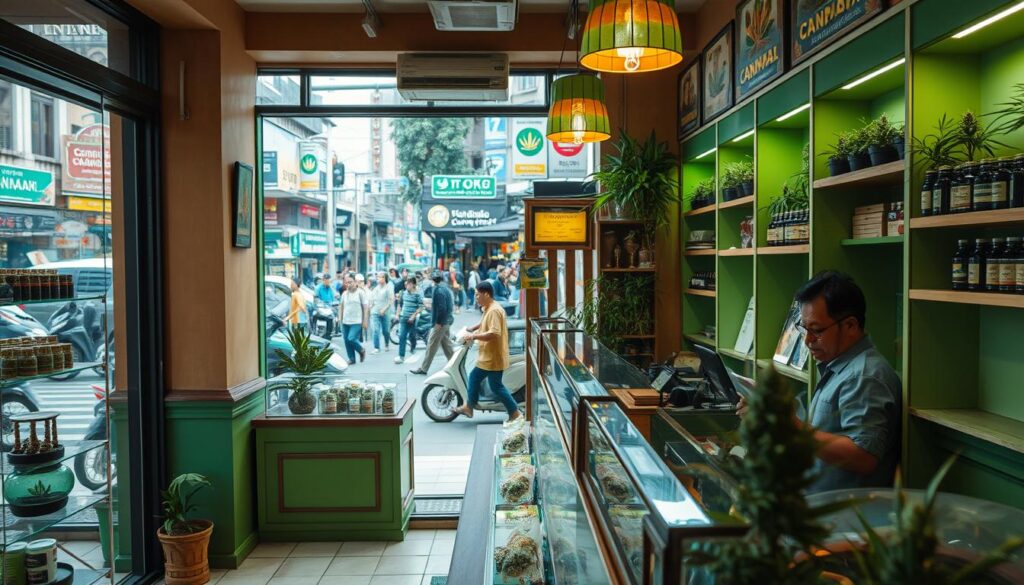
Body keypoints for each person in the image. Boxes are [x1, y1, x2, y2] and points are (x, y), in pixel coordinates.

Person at [736, 271, 901, 494]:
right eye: (804, 329)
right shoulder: (838, 366)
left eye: (817, 330)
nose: (807, 340)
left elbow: (863, 456)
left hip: (843, 519)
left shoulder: (864, 376)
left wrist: (790, 424)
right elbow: (820, 433)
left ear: (851, 326)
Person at [453, 281, 520, 421]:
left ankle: (469, 407)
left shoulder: (494, 310)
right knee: (495, 386)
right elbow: (484, 322)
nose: (476, 297)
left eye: (478, 295)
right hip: (490, 355)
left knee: (475, 377)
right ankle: (514, 412)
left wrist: (473, 335)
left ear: (486, 294)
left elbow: (494, 333)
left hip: (492, 357)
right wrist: (472, 328)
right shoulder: (489, 308)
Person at [411, 271, 455, 375]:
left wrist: (439, 323)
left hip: (441, 323)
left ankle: (424, 368)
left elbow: (442, 308)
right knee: (447, 345)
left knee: (431, 344)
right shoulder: (444, 288)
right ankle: (455, 364)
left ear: (432, 280)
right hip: (446, 321)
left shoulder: (438, 290)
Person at [338, 276, 369, 363]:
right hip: (345, 321)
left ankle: (361, 349)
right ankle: (352, 358)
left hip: (357, 321)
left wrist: (365, 321)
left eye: (350, 282)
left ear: (355, 282)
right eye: (346, 282)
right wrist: (339, 319)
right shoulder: (344, 294)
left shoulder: (360, 293)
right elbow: (341, 307)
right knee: (346, 340)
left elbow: (365, 307)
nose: (348, 284)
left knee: (351, 338)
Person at [394, 277, 424, 364]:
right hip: (403, 317)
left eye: (409, 284)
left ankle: (413, 347)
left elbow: (421, 307)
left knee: (412, 335)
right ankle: (401, 356)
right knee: (402, 336)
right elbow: (400, 305)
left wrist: (414, 316)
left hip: (412, 319)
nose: (407, 285)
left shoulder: (417, 295)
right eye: (406, 284)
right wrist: (397, 315)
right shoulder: (403, 293)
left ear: (414, 285)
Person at [370, 272, 393, 353]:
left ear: (384, 278)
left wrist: (384, 309)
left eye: (380, 277)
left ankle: (386, 344)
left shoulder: (388, 288)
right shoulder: (375, 288)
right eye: (378, 277)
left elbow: (391, 300)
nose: (378, 279)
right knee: (376, 330)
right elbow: (372, 301)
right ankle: (376, 347)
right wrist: (370, 307)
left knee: (386, 331)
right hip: (375, 312)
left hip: (385, 313)